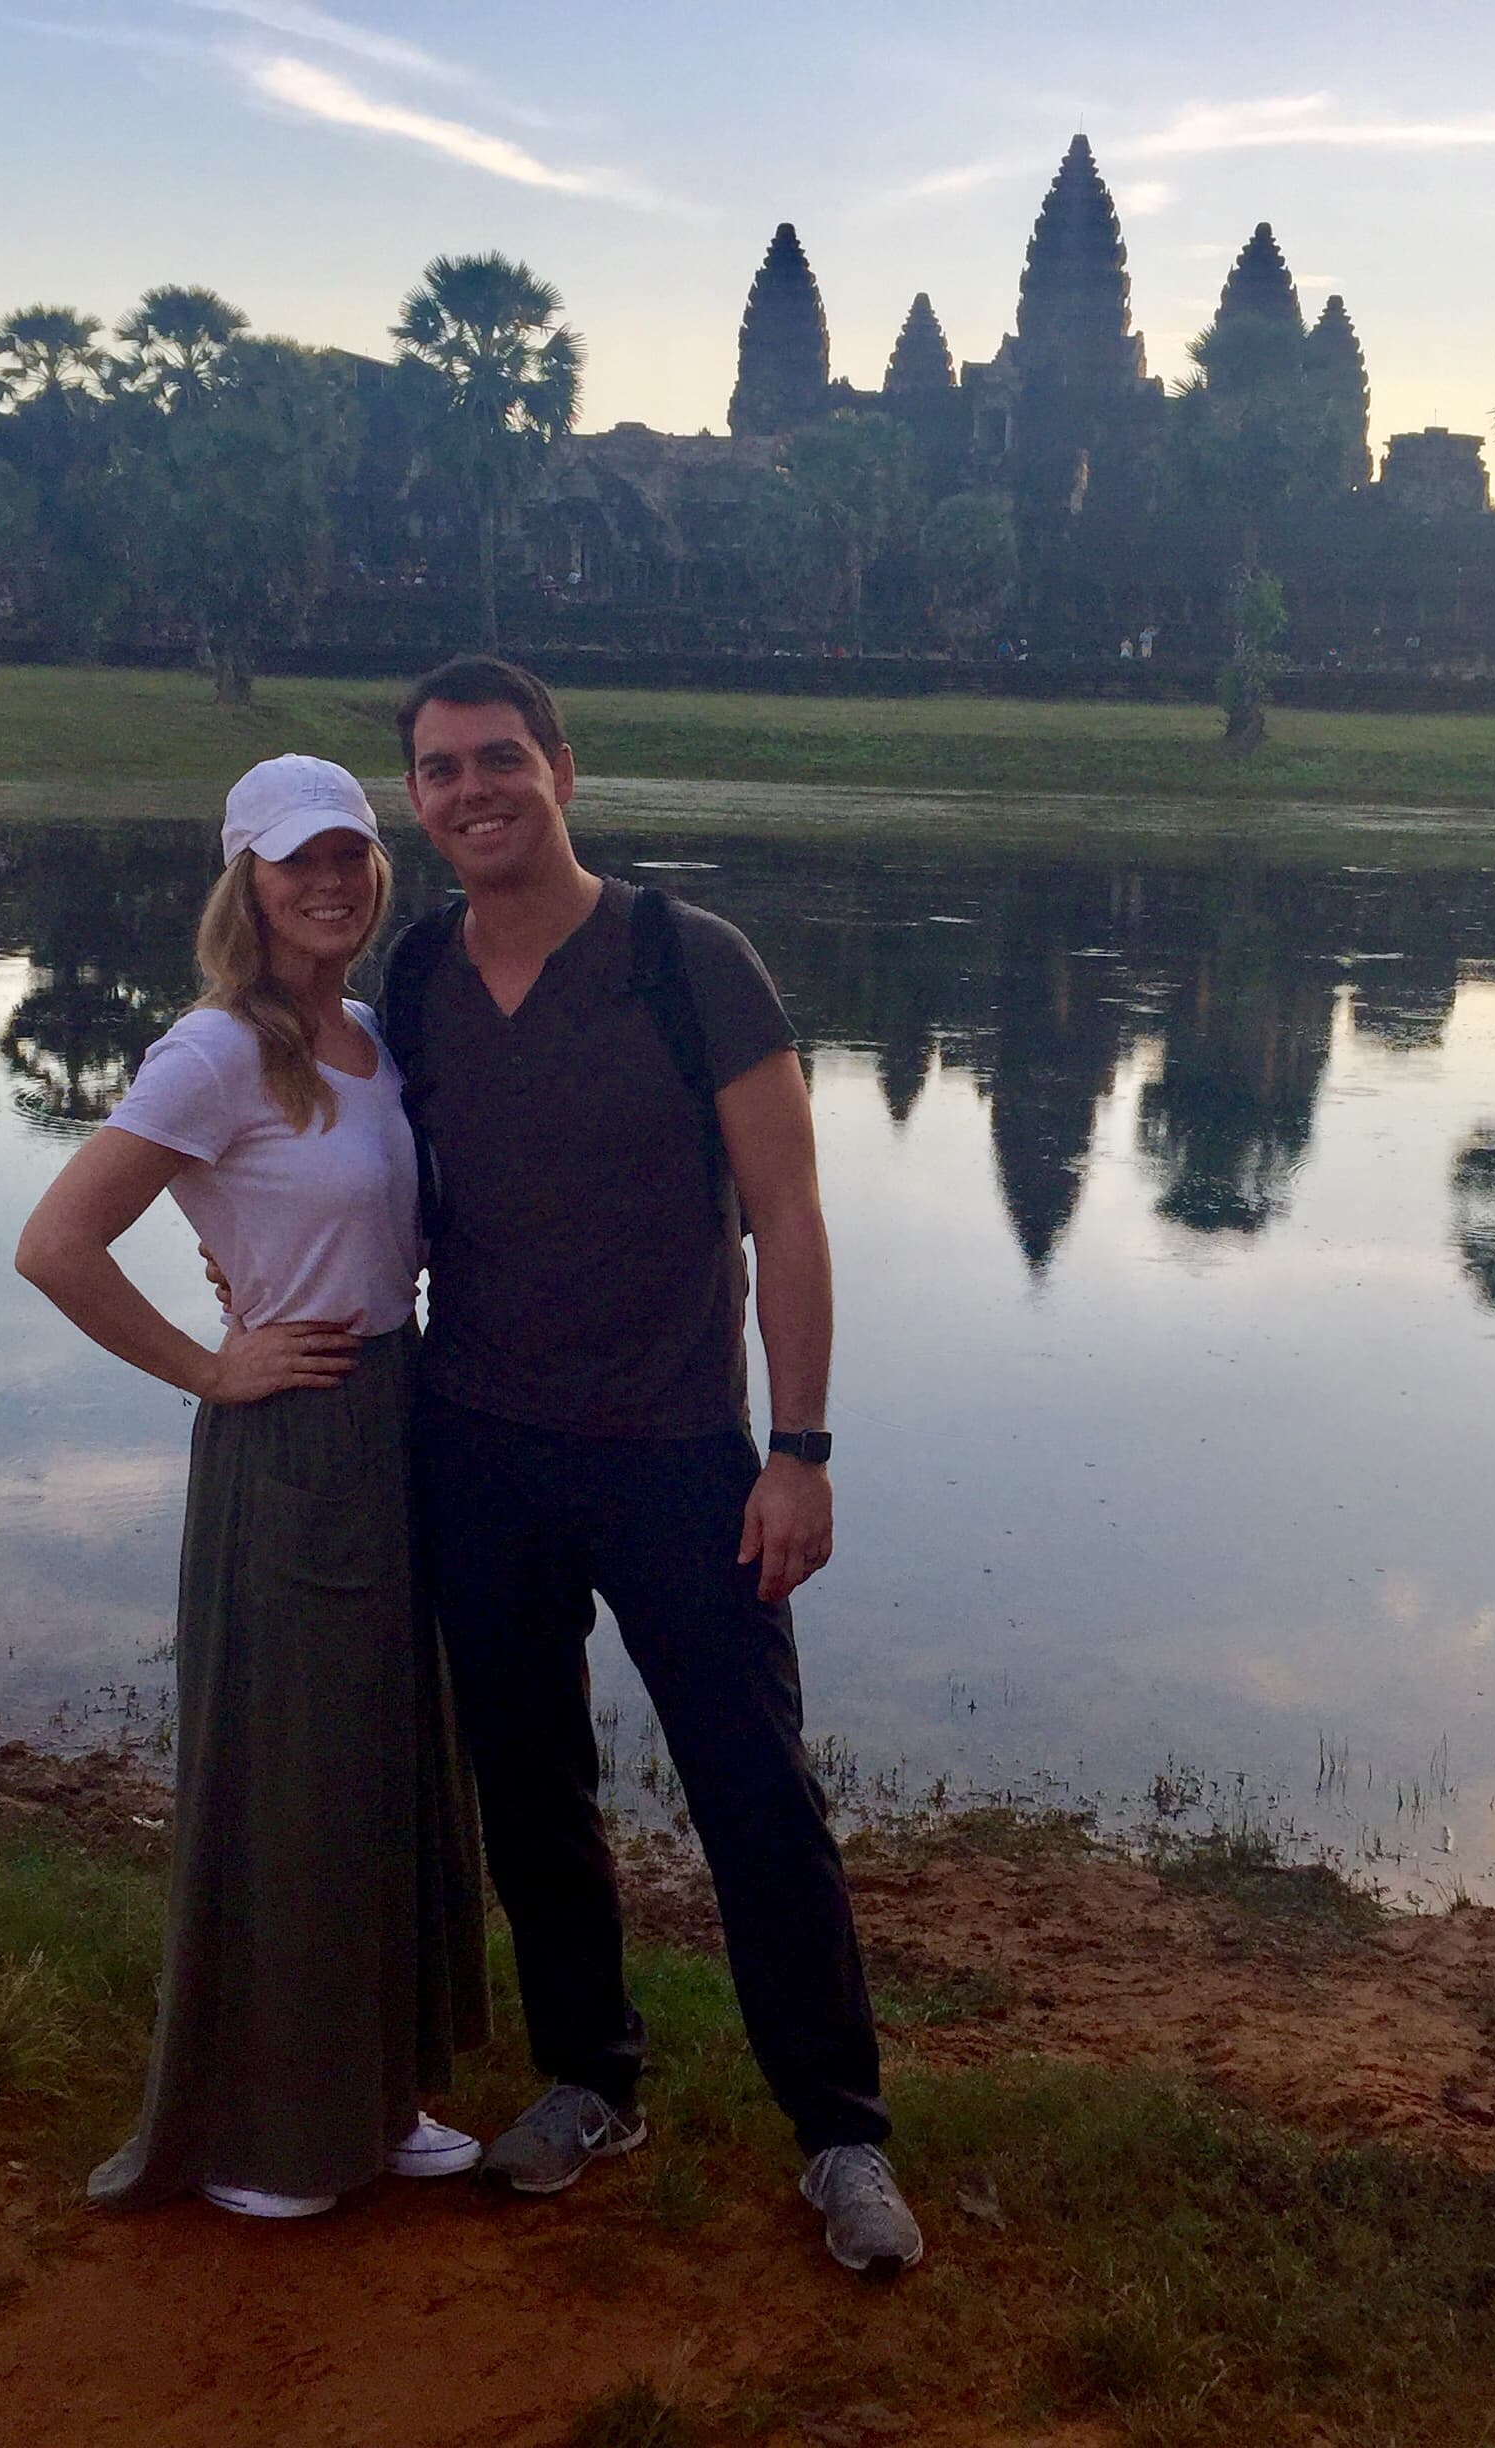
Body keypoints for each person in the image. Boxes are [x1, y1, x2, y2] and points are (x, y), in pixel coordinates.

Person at [380, 653, 923, 2278]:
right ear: (416, 801)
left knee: (755, 1792)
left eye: (499, 758)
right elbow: (356, 1172)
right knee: (531, 1785)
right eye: (440, 770)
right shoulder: (415, 974)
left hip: (680, 1453)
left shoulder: (689, 961)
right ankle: (590, 2080)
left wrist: (800, 1453)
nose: (473, 791)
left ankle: (839, 2133)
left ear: (562, 769)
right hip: (482, 1443)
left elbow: (791, 1219)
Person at [16, 754, 489, 2221]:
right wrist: (212, 1367)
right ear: (248, 883)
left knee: (385, 1762)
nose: (330, 882)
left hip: (396, 1417)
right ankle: (266, 2136)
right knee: (294, 1776)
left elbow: (348, 1216)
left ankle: (377, 2096)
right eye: (298, 862)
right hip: (293, 1441)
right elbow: (56, 1244)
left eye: (350, 854)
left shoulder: (370, 1036)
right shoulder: (213, 1052)